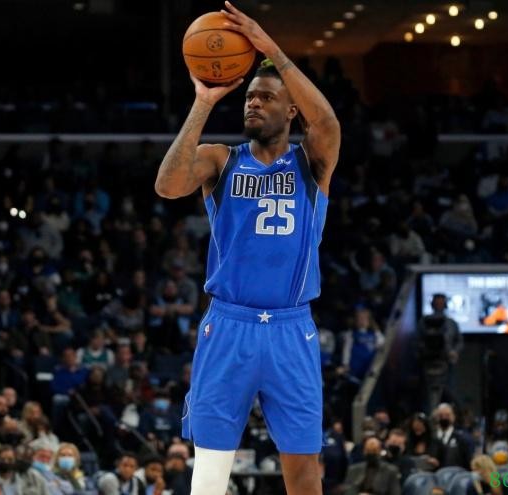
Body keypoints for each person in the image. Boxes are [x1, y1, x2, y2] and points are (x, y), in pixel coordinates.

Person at [154, 3, 340, 494]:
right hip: (229, 323)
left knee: (303, 466)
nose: (253, 103)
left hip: (290, 327)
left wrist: (270, 49)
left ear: (291, 110)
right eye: (250, 96)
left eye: (266, 97)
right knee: (210, 470)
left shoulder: (312, 162)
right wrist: (203, 102)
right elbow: (168, 185)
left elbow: (326, 122)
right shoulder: (221, 159)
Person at [416, 294, 463, 412]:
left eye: (441, 303)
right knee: (426, 396)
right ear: (432, 304)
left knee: (450, 392)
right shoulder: (423, 322)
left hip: (447, 363)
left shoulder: (452, 323)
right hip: (427, 363)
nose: (439, 306)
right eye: (437, 303)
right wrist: (422, 350)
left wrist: (454, 352)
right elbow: (417, 341)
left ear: (445, 305)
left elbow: (459, 341)